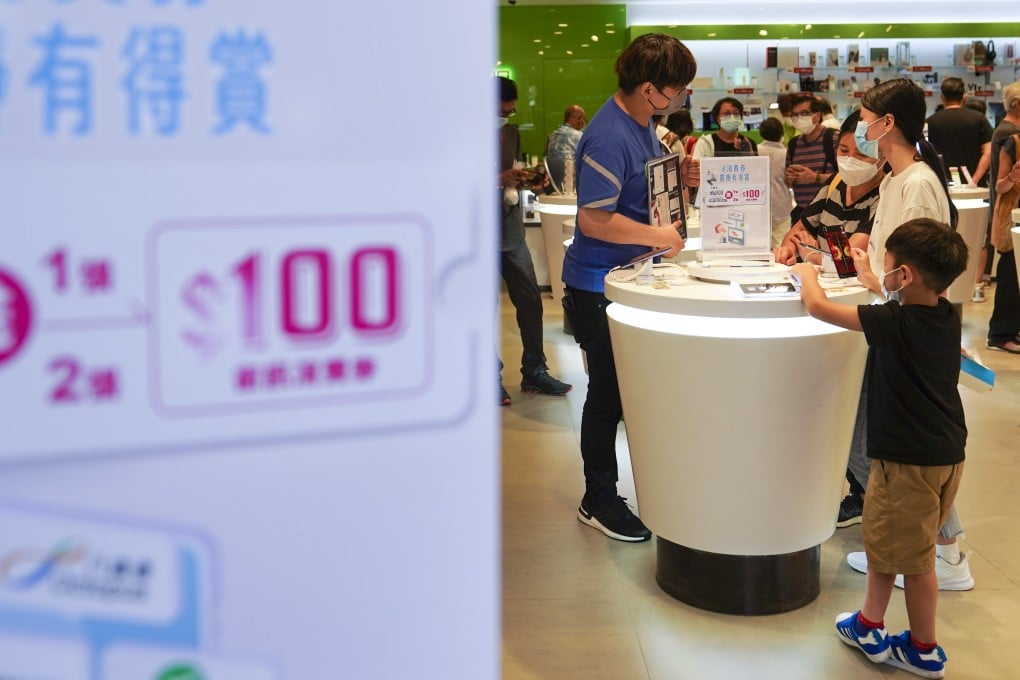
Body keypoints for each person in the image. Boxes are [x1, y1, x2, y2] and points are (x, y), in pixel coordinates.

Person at [791, 218, 968, 680]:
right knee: (900, 548)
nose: (881, 273)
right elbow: (896, 294)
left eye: (886, 266)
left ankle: (920, 647)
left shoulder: (893, 321)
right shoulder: (947, 315)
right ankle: (871, 622)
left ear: (904, 276)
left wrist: (806, 273)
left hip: (904, 460)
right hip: (947, 452)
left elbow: (817, 307)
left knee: (907, 559)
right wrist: (872, 282)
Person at [561, 33, 697, 542]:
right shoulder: (608, 134)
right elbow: (594, 220)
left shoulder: (643, 123)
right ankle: (598, 499)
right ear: (649, 88)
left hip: (626, 279)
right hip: (600, 285)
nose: (680, 97)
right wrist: (659, 236)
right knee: (607, 397)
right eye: (676, 89)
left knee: (621, 393)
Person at [842, 78, 973, 592]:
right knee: (875, 442)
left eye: (865, 116)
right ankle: (922, 550)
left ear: (887, 122)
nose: (859, 128)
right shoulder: (897, 179)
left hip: (906, 333)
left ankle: (942, 551)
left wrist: (873, 278)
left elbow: (914, 275)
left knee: (891, 446)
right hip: (894, 324)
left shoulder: (916, 182)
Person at [497, 76, 571, 406]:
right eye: (501, 111)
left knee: (530, 301)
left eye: (510, 112)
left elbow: (511, 171)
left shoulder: (511, 133)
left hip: (511, 232)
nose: (506, 117)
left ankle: (535, 370)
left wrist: (529, 181)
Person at [773, 111, 883, 267]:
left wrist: (810, 254)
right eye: (844, 150)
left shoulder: (884, 197)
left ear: (883, 155)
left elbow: (848, 261)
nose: (850, 159)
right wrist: (787, 251)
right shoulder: (836, 182)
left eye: (861, 154)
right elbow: (796, 232)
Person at [985, 81, 1020, 353]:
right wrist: (1012, 177)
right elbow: (1000, 183)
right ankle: (1001, 333)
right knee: (1009, 272)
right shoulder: (1011, 136)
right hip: (1012, 216)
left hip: (1012, 214)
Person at [925, 77, 992, 187]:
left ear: (942, 98)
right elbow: (988, 152)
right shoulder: (979, 119)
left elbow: (925, 156)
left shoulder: (930, 122)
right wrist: (973, 181)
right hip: (976, 189)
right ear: (963, 96)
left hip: (942, 187)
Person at [784, 93, 838, 224]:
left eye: (804, 113)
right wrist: (790, 179)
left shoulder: (834, 138)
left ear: (817, 115)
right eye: (794, 115)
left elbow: (848, 177)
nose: (798, 118)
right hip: (801, 213)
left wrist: (815, 177)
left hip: (830, 213)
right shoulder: (794, 144)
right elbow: (788, 181)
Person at [757, 117, 794, 248]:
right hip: (782, 205)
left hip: (759, 205)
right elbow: (791, 181)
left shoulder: (755, 151)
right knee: (782, 246)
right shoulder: (787, 153)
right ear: (781, 133)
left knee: (760, 246)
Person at [692, 97, 758, 159]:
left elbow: (758, 169)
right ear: (717, 118)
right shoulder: (705, 143)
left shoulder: (749, 143)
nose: (732, 117)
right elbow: (696, 167)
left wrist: (749, 155)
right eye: (727, 113)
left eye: (736, 113)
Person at [544, 104, 586, 192]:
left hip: (552, 188)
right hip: (572, 190)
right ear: (580, 119)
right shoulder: (580, 137)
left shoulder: (552, 136)